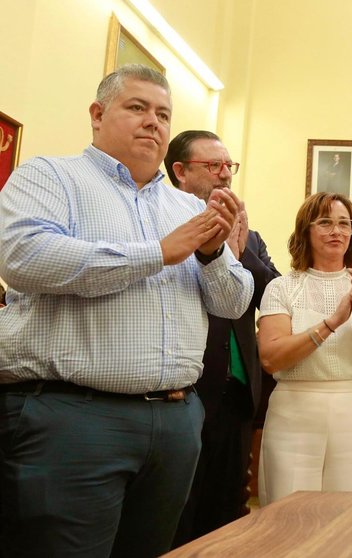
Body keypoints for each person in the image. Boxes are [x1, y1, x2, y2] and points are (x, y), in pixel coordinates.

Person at [0, 64, 252, 557]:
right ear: (97, 114)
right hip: (73, 417)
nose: (152, 123)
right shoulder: (50, 176)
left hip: (176, 420)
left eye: (162, 114)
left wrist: (211, 253)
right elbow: (24, 259)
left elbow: (233, 301)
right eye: (137, 108)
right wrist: (159, 251)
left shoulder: (185, 208)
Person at [164, 130, 280, 546]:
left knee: (229, 512)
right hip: (186, 392)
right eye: (213, 166)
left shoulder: (252, 236)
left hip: (238, 392)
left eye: (229, 166)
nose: (225, 175)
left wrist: (242, 250)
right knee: (180, 510)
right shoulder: (166, 230)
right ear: (180, 171)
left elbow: (273, 294)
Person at [256, 192, 352, 505]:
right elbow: (271, 357)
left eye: (345, 224)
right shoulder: (282, 287)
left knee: (347, 515)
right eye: (326, 223)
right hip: (294, 411)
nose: (337, 231)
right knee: (289, 514)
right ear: (306, 230)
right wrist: (331, 322)